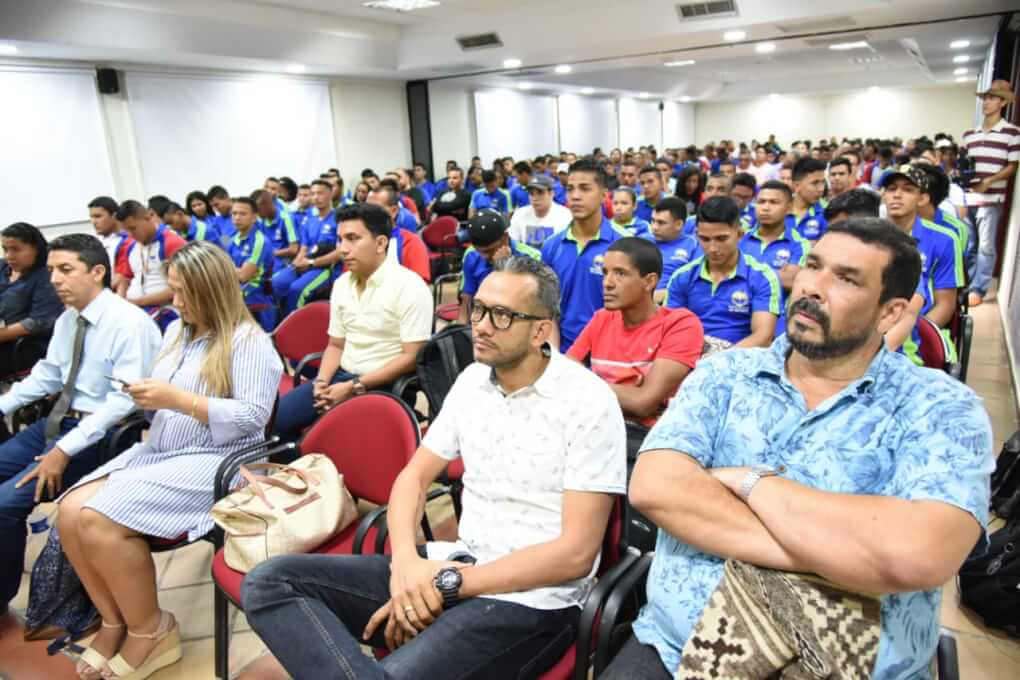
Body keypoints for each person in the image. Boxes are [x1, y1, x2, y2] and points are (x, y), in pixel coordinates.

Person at [604, 217, 993, 680]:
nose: (813, 287)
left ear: (890, 312)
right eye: (813, 265)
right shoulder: (724, 375)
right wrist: (849, 555)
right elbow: (655, 488)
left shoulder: (941, 407)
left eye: (846, 278)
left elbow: (921, 554)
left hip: (847, 665)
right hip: (675, 650)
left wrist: (751, 483)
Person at [244, 256, 625, 680]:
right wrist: (406, 567)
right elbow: (413, 477)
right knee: (269, 582)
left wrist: (446, 585)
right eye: (478, 309)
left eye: (501, 316)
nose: (479, 324)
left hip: (533, 599)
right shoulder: (472, 381)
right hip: (453, 561)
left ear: (540, 330)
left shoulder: (588, 400)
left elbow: (575, 554)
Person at [57, 241, 280, 680]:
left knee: (99, 518)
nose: (174, 302)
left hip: (219, 460)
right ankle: (113, 621)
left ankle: (151, 630)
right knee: (67, 513)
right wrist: (145, 394)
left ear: (212, 291)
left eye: (184, 293)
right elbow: (165, 394)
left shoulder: (249, 342)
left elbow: (253, 417)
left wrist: (178, 399)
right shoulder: (181, 331)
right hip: (163, 450)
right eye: (172, 290)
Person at [0, 234, 160, 619]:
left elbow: (124, 401)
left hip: (101, 435)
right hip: (59, 422)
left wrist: (64, 450)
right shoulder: (70, 319)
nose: (55, 279)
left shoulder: (128, 324)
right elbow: (48, 375)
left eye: (65, 270)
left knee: (5, 504)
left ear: (98, 272)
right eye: (52, 269)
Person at [273, 203, 432, 442]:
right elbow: (336, 345)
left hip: (382, 384)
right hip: (340, 377)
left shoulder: (409, 287)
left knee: (327, 438)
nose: (343, 249)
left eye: (353, 239)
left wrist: (353, 386)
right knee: (277, 421)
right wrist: (323, 382)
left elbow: (412, 357)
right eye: (340, 240)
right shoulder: (342, 284)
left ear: (380, 243)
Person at [568, 238, 702, 428]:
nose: (607, 283)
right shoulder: (601, 318)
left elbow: (642, 403)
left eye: (620, 274)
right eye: (605, 273)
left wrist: (581, 386)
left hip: (648, 439)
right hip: (597, 428)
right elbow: (562, 377)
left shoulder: (680, 324)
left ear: (649, 282)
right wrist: (626, 393)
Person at [666, 196, 780, 348]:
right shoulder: (682, 277)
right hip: (689, 355)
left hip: (741, 360)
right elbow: (671, 331)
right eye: (705, 239)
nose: (712, 248)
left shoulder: (762, 276)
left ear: (740, 234)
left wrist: (718, 361)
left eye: (721, 239)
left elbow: (763, 337)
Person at [541, 160, 630, 351]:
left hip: (611, 353)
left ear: (604, 195)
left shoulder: (625, 244)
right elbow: (548, 309)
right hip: (564, 350)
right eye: (570, 189)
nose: (575, 196)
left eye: (584, 189)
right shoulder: (551, 246)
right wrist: (555, 357)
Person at [879, 165, 962, 328]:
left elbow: (945, 305)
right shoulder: (869, 236)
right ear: (883, 195)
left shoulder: (944, 239)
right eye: (891, 189)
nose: (897, 195)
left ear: (922, 198)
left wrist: (912, 333)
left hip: (922, 328)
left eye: (908, 190)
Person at [962, 79, 1020, 307]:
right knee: (970, 244)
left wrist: (990, 181)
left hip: (992, 197)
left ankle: (979, 287)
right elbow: (965, 164)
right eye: (985, 98)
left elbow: (1012, 165)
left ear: (1003, 103)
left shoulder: (1012, 133)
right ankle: (969, 283)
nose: (987, 102)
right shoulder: (970, 134)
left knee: (986, 245)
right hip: (970, 195)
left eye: (992, 98)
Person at [739, 181, 810, 335]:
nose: (765, 207)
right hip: (737, 312)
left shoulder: (800, 244)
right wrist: (776, 274)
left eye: (774, 202)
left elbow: (791, 280)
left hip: (778, 322)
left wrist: (745, 274)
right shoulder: (740, 239)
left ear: (789, 207)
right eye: (761, 202)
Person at [0, 223, 63, 380]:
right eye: (5, 249)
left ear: (36, 248)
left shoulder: (46, 276)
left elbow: (39, 322)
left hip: (23, 346)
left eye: (16, 249)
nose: (9, 256)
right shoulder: (3, 267)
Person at [457, 211, 540, 324]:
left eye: (490, 250)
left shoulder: (532, 257)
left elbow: (530, 305)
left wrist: (504, 268)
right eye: (479, 251)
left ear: (505, 237)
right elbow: (467, 300)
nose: (485, 256)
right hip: (482, 321)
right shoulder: (472, 255)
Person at [116, 200, 188, 330]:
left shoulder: (172, 243)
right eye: (126, 231)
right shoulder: (131, 245)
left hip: (167, 311)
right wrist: (120, 302)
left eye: (133, 228)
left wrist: (137, 302)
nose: (131, 235)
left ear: (149, 217)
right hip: (136, 309)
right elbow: (124, 278)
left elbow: (183, 286)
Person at [272, 179, 337, 316]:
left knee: (297, 289)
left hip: (324, 267)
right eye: (313, 193)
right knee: (277, 282)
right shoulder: (309, 219)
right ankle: (282, 319)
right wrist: (299, 260)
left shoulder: (338, 218)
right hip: (305, 262)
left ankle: (295, 326)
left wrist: (312, 263)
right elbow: (304, 247)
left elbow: (340, 252)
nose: (316, 197)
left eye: (320, 193)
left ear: (331, 194)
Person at [227, 197, 277, 332]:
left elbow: (244, 275)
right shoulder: (233, 240)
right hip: (237, 290)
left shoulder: (260, 241)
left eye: (242, 214)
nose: (237, 217)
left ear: (254, 217)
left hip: (256, 296)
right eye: (234, 213)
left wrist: (227, 268)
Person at [366, 187, 432, 283]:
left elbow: (418, 286)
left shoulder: (410, 242)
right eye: (366, 209)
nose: (367, 214)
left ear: (393, 211)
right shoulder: (361, 241)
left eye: (375, 209)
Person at [646, 197, 698, 300]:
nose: (654, 227)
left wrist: (666, 293)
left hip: (673, 301)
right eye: (653, 221)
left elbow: (695, 284)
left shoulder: (694, 245)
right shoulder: (642, 241)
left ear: (678, 224)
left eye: (661, 223)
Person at [507, 174, 573, 248]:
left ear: (551, 194)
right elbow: (513, 244)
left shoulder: (565, 215)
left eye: (540, 193)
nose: (535, 198)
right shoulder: (519, 214)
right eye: (531, 194)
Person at [88, 196, 133, 292]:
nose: (94, 222)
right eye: (91, 217)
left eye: (98, 216)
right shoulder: (95, 241)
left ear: (114, 216)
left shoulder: (128, 241)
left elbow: (124, 277)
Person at [252, 189, 298, 268]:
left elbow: (294, 249)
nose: (257, 214)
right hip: (268, 259)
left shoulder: (286, 219)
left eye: (258, 210)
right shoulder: (261, 221)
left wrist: (270, 253)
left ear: (268, 204)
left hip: (284, 260)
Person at [788, 157, 829, 242]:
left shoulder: (828, 212)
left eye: (823, 182)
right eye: (815, 183)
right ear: (796, 186)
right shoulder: (779, 209)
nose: (821, 189)